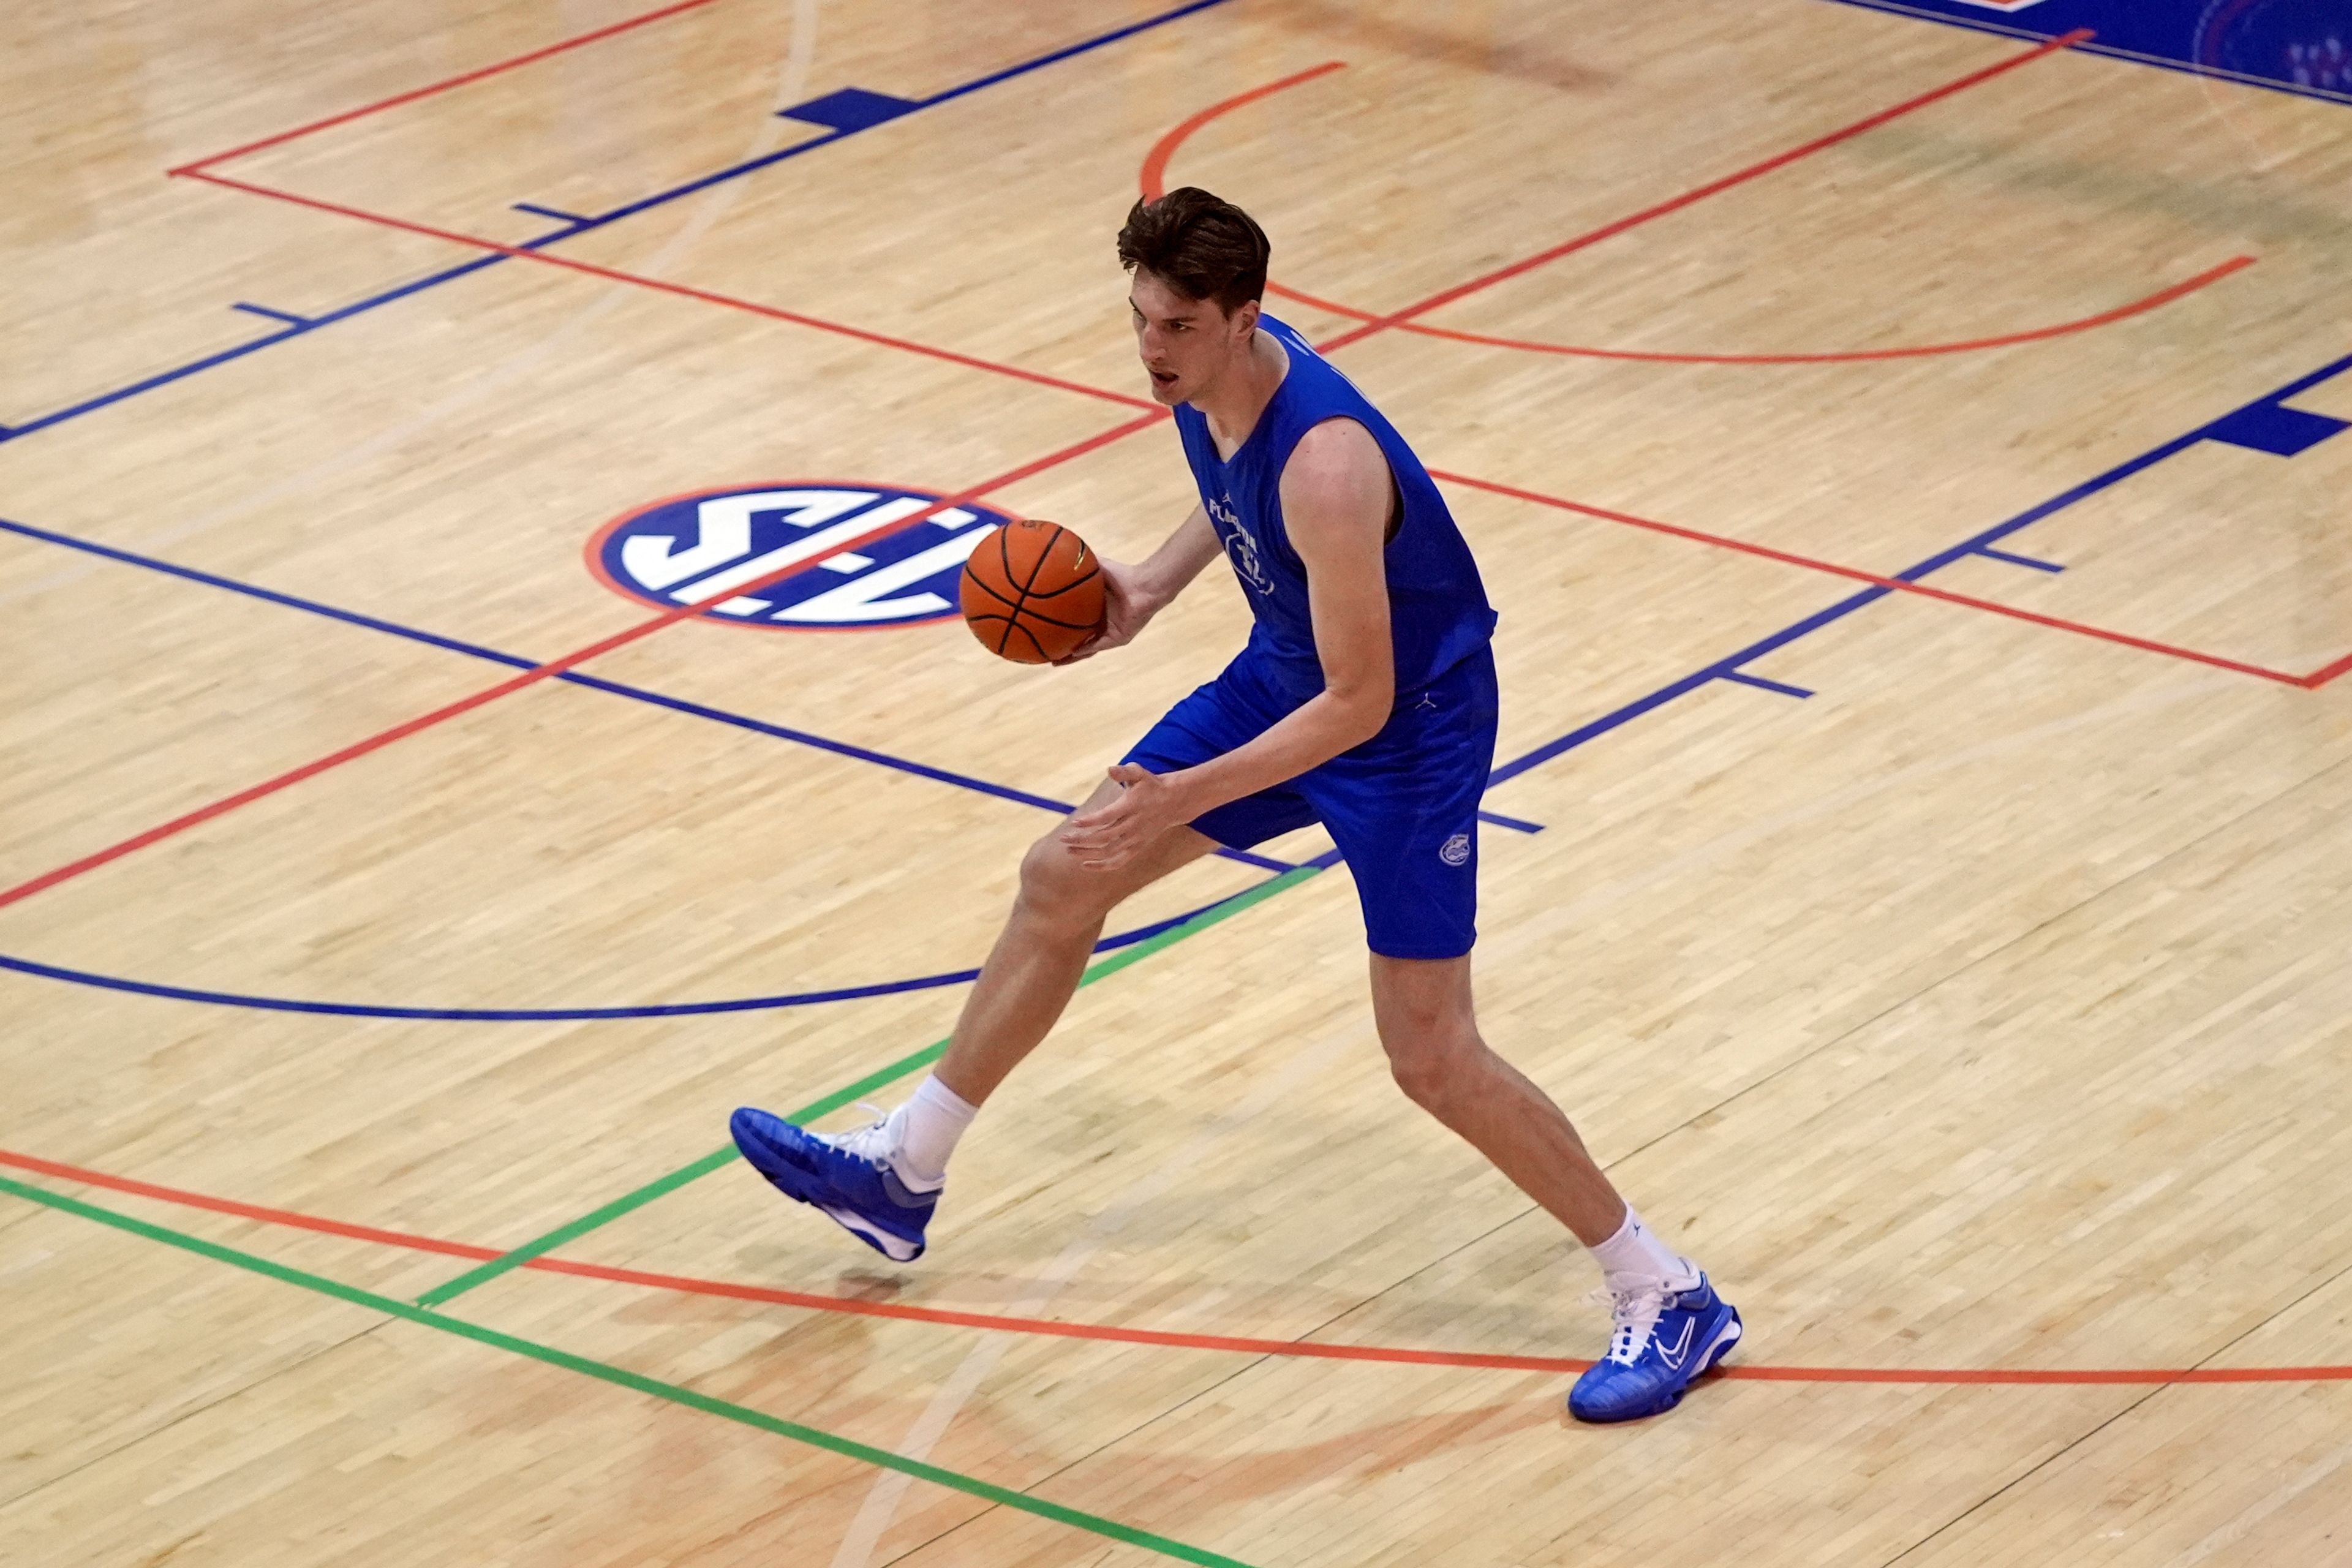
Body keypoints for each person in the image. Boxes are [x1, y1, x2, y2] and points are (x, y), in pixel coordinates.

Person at [729, 187, 1740, 1422]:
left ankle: (1667, 1287)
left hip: (1406, 727)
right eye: (1141, 319)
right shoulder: (1213, 379)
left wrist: (1182, 799)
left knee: (1430, 1054)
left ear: (1246, 315)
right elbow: (1232, 498)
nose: (1153, 348)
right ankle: (902, 1172)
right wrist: (1149, 585)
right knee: (1063, 872)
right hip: (1288, 666)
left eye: (1178, 325)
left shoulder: (1328, 461)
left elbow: (1359, 702)